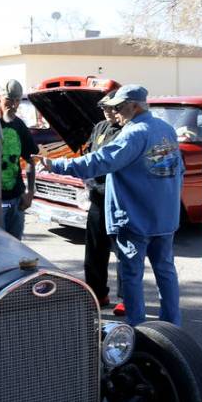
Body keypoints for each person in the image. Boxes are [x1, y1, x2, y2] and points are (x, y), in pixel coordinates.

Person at [34, 84, 184, 327]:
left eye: (120, 108)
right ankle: (172, 325)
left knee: (132, 275)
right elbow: (177, 170)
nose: (116, 113)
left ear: (134, 106)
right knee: (165, 271)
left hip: (135, 217)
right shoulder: (165, 129)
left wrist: (56, 165)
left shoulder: (134, 133)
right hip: (164, 217)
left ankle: (137, 328)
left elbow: (99, 161)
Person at [83, 93, 122, 307]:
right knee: (95, 249)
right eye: (103, 108)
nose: (106, 112)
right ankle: (97, 293)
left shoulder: (129, 130)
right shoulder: (100, 127)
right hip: (97, 198)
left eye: (110, 108)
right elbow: (90, 154)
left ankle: (126, 298)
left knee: (123, 252)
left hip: (119, 200)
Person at [0, 79, 38, 239]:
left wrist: (30, 192)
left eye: (17, 100)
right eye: (9, 100)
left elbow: (30, 159)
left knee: (16, 250)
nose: (14, 105)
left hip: (17, 200)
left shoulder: (19, 125)